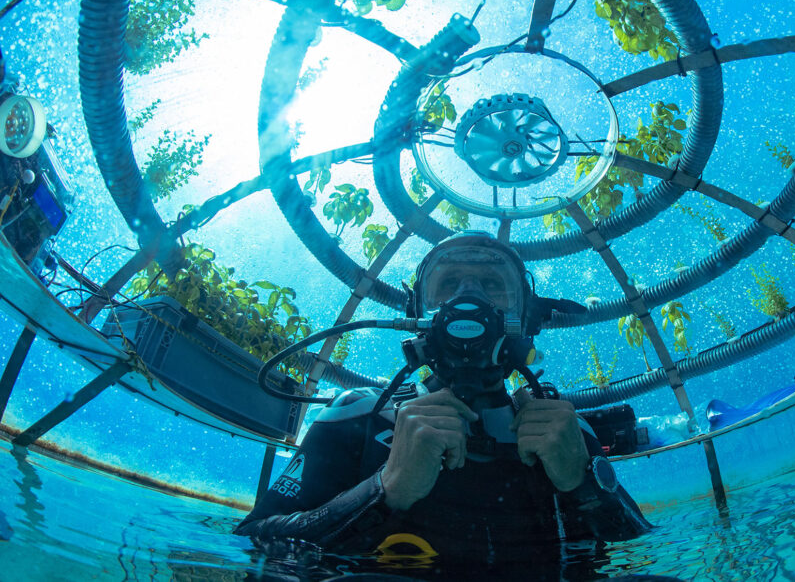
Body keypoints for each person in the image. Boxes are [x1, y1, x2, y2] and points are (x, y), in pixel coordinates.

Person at [235, 233, 651, 575]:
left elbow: (638, 541)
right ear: (417, 313)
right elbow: (254, 543)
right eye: (448, 285)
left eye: (492, 286)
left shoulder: (569, 432)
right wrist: (386, 489)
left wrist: (584, 482)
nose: (468, 300)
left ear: (526, 318)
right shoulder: (358, 415)